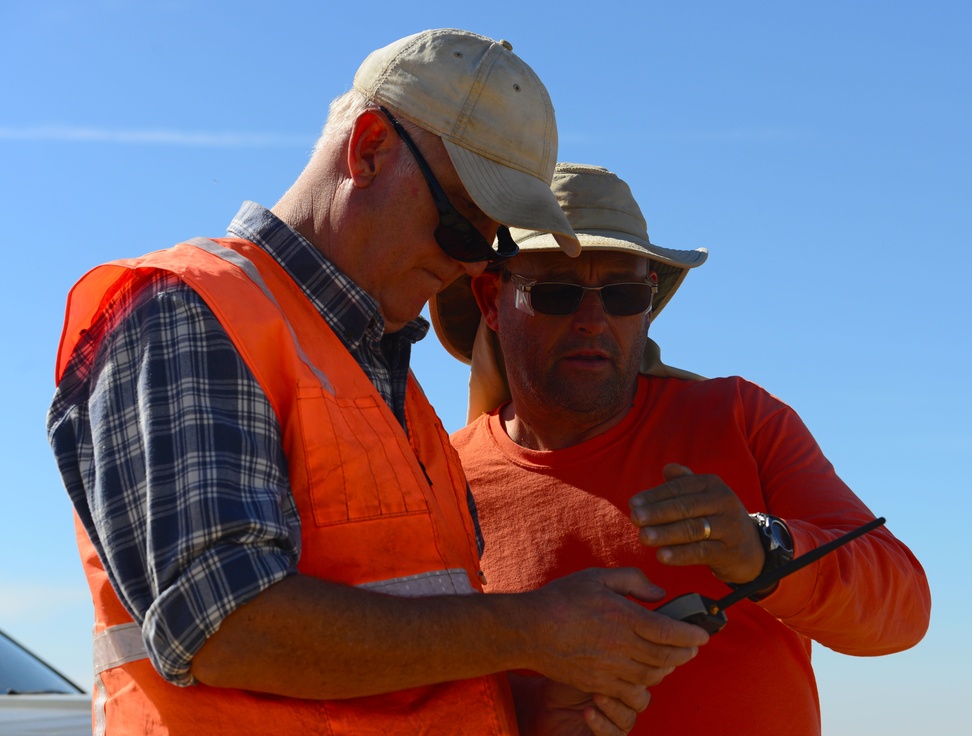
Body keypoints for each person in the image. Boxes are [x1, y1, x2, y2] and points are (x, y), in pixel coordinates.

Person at [46, 35, 709, 736]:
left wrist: (525, 714)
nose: (467, 266)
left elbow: (413, 659)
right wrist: (532, 630)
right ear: (368, 148)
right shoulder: (191, 310)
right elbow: (224, 625)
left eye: (490, 245)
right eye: (459, 226)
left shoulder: (393, 391)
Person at [431, 162, 932, 736]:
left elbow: (903, 610)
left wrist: (764, 553)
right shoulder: (440, 478)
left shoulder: (742, 419)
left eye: (621, 294)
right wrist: (526, 717)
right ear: (491, 300)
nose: (594, 321)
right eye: (557, 293)